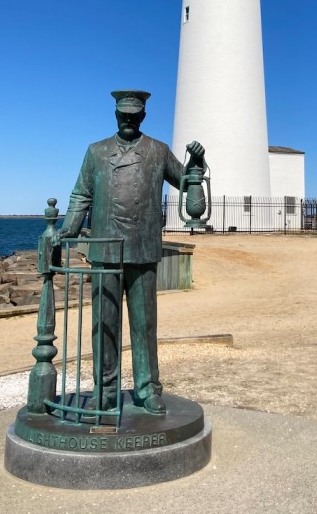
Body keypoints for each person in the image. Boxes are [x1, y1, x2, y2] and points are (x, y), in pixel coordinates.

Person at [55, 90, 205, 415]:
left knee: (144, 324)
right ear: (115, 114)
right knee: (103, 324)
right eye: (123, 113)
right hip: (105, 250)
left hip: (143, 249)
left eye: (134, 114)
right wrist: (67, 229)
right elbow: (81, 194)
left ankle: (147, 389)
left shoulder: (158, 150)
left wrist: (197, 162)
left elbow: (187, 180)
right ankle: (105, 390)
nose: (128, 119)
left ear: (143, 116)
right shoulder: (96, 152)